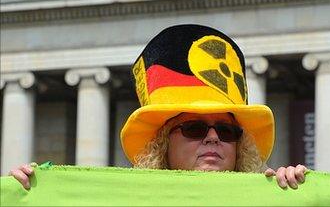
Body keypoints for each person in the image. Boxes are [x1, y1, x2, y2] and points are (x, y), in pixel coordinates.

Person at [9, 24, 308, 191]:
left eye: (228, 131)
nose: (213, 137)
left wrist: (297, 197)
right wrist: (31, 193)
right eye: (194, 128)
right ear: (162, 142)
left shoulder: (274, 195)